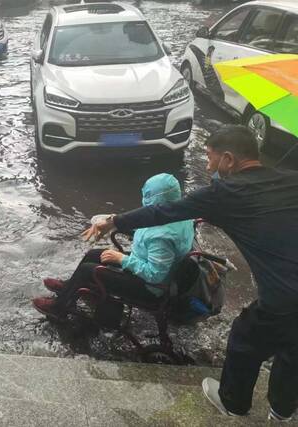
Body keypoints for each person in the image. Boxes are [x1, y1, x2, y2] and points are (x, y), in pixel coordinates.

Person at [84, 125, 298, 422]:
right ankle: (283, 409)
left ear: (229, 159)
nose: (208, 166)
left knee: (245, 337)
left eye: (210, 158)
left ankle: (232, 403)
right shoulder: (291, 180)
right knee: (292, 348)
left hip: (285, 294)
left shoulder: (225, 193)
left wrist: (115, 221)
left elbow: (164, 211)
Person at [32, 173, 194, 319]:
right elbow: (145, 223)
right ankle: (69, 288)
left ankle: (59, 308)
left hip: (149, 288)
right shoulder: (176, 213)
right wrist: (114, 222)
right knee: (94, 254)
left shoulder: (162, 237)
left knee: (88, 269)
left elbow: (155, 275)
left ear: (155, 199)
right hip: (148, 262)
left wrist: (122, 259)